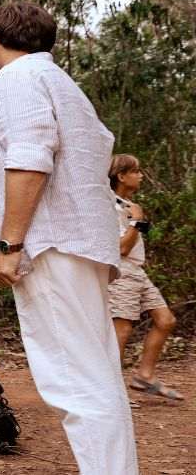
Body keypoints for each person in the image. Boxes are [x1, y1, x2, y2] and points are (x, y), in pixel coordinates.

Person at [0, 1, 138, 473]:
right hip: (81, 245)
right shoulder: (62, 84)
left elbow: (30, 157)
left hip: (48, 245)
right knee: (97, 377)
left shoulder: (15, 79)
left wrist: (9, 246)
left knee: (76, 383)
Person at [108, 154, 183, 400]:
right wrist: (137, 220)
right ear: (121, 176)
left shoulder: (127, 204)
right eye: (136, 171)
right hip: (121, 272)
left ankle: (144, 376)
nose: (141, 175)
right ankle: (112, 393)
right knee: (121, 331)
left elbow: (144, 233)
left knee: (166, 320)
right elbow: (121, 247)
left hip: (137, 271)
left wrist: (139, 220)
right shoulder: (109, 204)